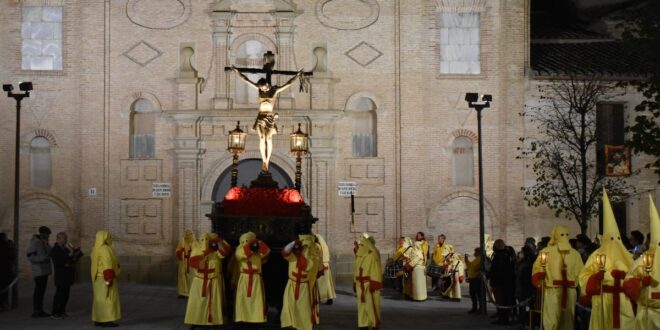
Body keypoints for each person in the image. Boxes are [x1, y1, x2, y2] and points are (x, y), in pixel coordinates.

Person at [231, 64, 303, 173]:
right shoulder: (260, 89)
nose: (262, 90)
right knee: (262, 139)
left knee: (268, 139)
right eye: (260, 88)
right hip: (260, 117)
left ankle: (267, 161)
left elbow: (287, 84)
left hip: (269, 117)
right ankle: (263, 160)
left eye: (263, 88)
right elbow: (247, 80)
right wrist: (237, 72)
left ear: (267, 84)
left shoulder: (274, 90)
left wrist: (297, 76)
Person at [579, 190, 635, 330]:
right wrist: (595, 278)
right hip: (602, 299)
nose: (613, 243)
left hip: (623, 301)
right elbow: (584, 276)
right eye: (610, 239)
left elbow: (637, 276)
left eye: (616, 239)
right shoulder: (596, 255)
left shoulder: (627, 256)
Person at [531, 225, 584, 330]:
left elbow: (537, 268)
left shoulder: (546, 251)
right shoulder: (575, 254)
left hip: (556, 291)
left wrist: (539, 277)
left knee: (553, 319)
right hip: (562, 291)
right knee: (565, 320)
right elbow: (582, 274)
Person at [623, 196, 660, 330]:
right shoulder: (641, 261)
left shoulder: (641, 260)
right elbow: (628, 283)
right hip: (647, 313)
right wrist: (640, 283)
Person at [184, 232, 232, 328]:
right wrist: (206, 252)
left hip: (213, 281)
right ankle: (196, 321)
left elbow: (224, 253)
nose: (205, 242)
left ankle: (213, 322)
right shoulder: (196, 249)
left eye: (207, 240)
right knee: (198, 303)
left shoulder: (215, 250)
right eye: (203, 240)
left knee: (213, 303)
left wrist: (219, 242)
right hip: (200, 282)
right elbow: (194, 262)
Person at [281, 235, 321, 330]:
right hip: (291, 285)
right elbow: (285, 252)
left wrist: (300, 254)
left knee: (303, 310)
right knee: (289, 308)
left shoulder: (314, 256)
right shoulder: (293, 254)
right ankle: (291, 325)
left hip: (304, 288)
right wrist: (293, 243)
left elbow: (306, 265)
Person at [234, 231, 270, 325]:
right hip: (245, 278)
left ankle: (256, 318)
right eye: (245, 241)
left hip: (256, 278)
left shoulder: (257, 250)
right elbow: (241, 255)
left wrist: (259, 244)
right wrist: (250, 246)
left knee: (256, 300)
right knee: (244, 300)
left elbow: (266, 252)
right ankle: (243, 318)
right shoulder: (239, 250)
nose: (247, 242)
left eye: (249, 241)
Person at [91, 231, 121, 327]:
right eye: (109, 237)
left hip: (97, 278)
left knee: (98, 299)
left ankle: (98, 319)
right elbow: (107, 263)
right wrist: (109, 278)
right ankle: (107, 320)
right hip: (105, 278)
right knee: (108, 298)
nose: (110, 238)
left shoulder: (95, 248)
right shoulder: (105, 249)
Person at [50, 232, 83, 319]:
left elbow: (71, 260)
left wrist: (76, 254)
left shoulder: (65, 249)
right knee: (59, 294)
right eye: (64, 238)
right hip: (60, 275)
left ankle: (62, 311)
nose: (66, 240)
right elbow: (58, 262)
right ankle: (55, 312)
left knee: (66, 294)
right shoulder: (55, 250)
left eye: (66, 238)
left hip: (67, 275)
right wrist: (69, 256)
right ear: (58, 239)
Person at [354, 234, 382, 330]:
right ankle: (363, 323)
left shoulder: (373, 253)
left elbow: (376, 269)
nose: (360, 246)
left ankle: (373, 323)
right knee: (361, 305)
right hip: (360, 284)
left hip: (368, 283)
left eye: (362, 244)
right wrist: (354, 281)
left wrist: (375, 282)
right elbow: (356, 268)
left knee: (371, 305)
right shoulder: (360, 254)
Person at [26, 226, 52, 318]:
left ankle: (40, 310)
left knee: (41, 291)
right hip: (39, 271)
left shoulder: (43, 242)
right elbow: (29, 256)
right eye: (47, 235)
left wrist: (47, 244)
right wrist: (43, 258)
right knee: (38, 291)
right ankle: (37, 311)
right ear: (42, 234)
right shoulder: (35, 242)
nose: (48, 236)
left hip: (44, 271)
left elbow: (50, 252)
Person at [489, 239, 516, 325]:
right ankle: (504, 318)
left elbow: (498, 270)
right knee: (504, 301)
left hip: (500, 283)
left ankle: (503, 319)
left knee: (501, 301)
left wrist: (491, 276)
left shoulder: (500, 255)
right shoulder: (507, 254)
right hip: (506, 282)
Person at [403, 237, 427, 301]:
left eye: (414, 245)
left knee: (418, 284)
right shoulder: (418, 252)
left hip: (417, 270)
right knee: (418, 284)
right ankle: (418, 296)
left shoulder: (418, 253)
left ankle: (418, 297)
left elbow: (414, 261)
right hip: (417, 270)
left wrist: (409, 265)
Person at [315, 233, 336, 305]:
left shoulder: (319, 246)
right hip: (325, 264)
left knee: (323, 284)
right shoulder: (324, 245)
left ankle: (324, 298)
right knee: (327, 284)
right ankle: (329, 298)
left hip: (322, 266)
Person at [176, 229, 196, 297]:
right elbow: (178, 250)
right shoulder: (183, 241)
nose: (189, 236)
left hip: (191, 263)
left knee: (191, 277)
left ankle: (191, 292)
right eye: (188, 234)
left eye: (190, 234)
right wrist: (181, 252)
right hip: (184, 262)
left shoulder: (194, 242)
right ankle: (182, 292)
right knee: (183, 276)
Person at [465, 248, 483, 314]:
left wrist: (468, 262)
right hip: (472, 279)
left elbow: (473, 267)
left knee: (478, 294)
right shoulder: (476, 259)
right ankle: (474, 307)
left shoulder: (480, 259)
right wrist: (466, 260)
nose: (474, 253)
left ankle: (481, 308)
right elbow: (470, 266)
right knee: (472, 294)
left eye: (475, 252)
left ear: (478, 252)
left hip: (477, 279)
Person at [0, 233, 15, 310]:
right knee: (6, 286)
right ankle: (4, 303)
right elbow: (12, 256)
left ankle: (3, 303)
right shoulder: (7, 246)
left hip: (4, 268)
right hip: (6, 268)